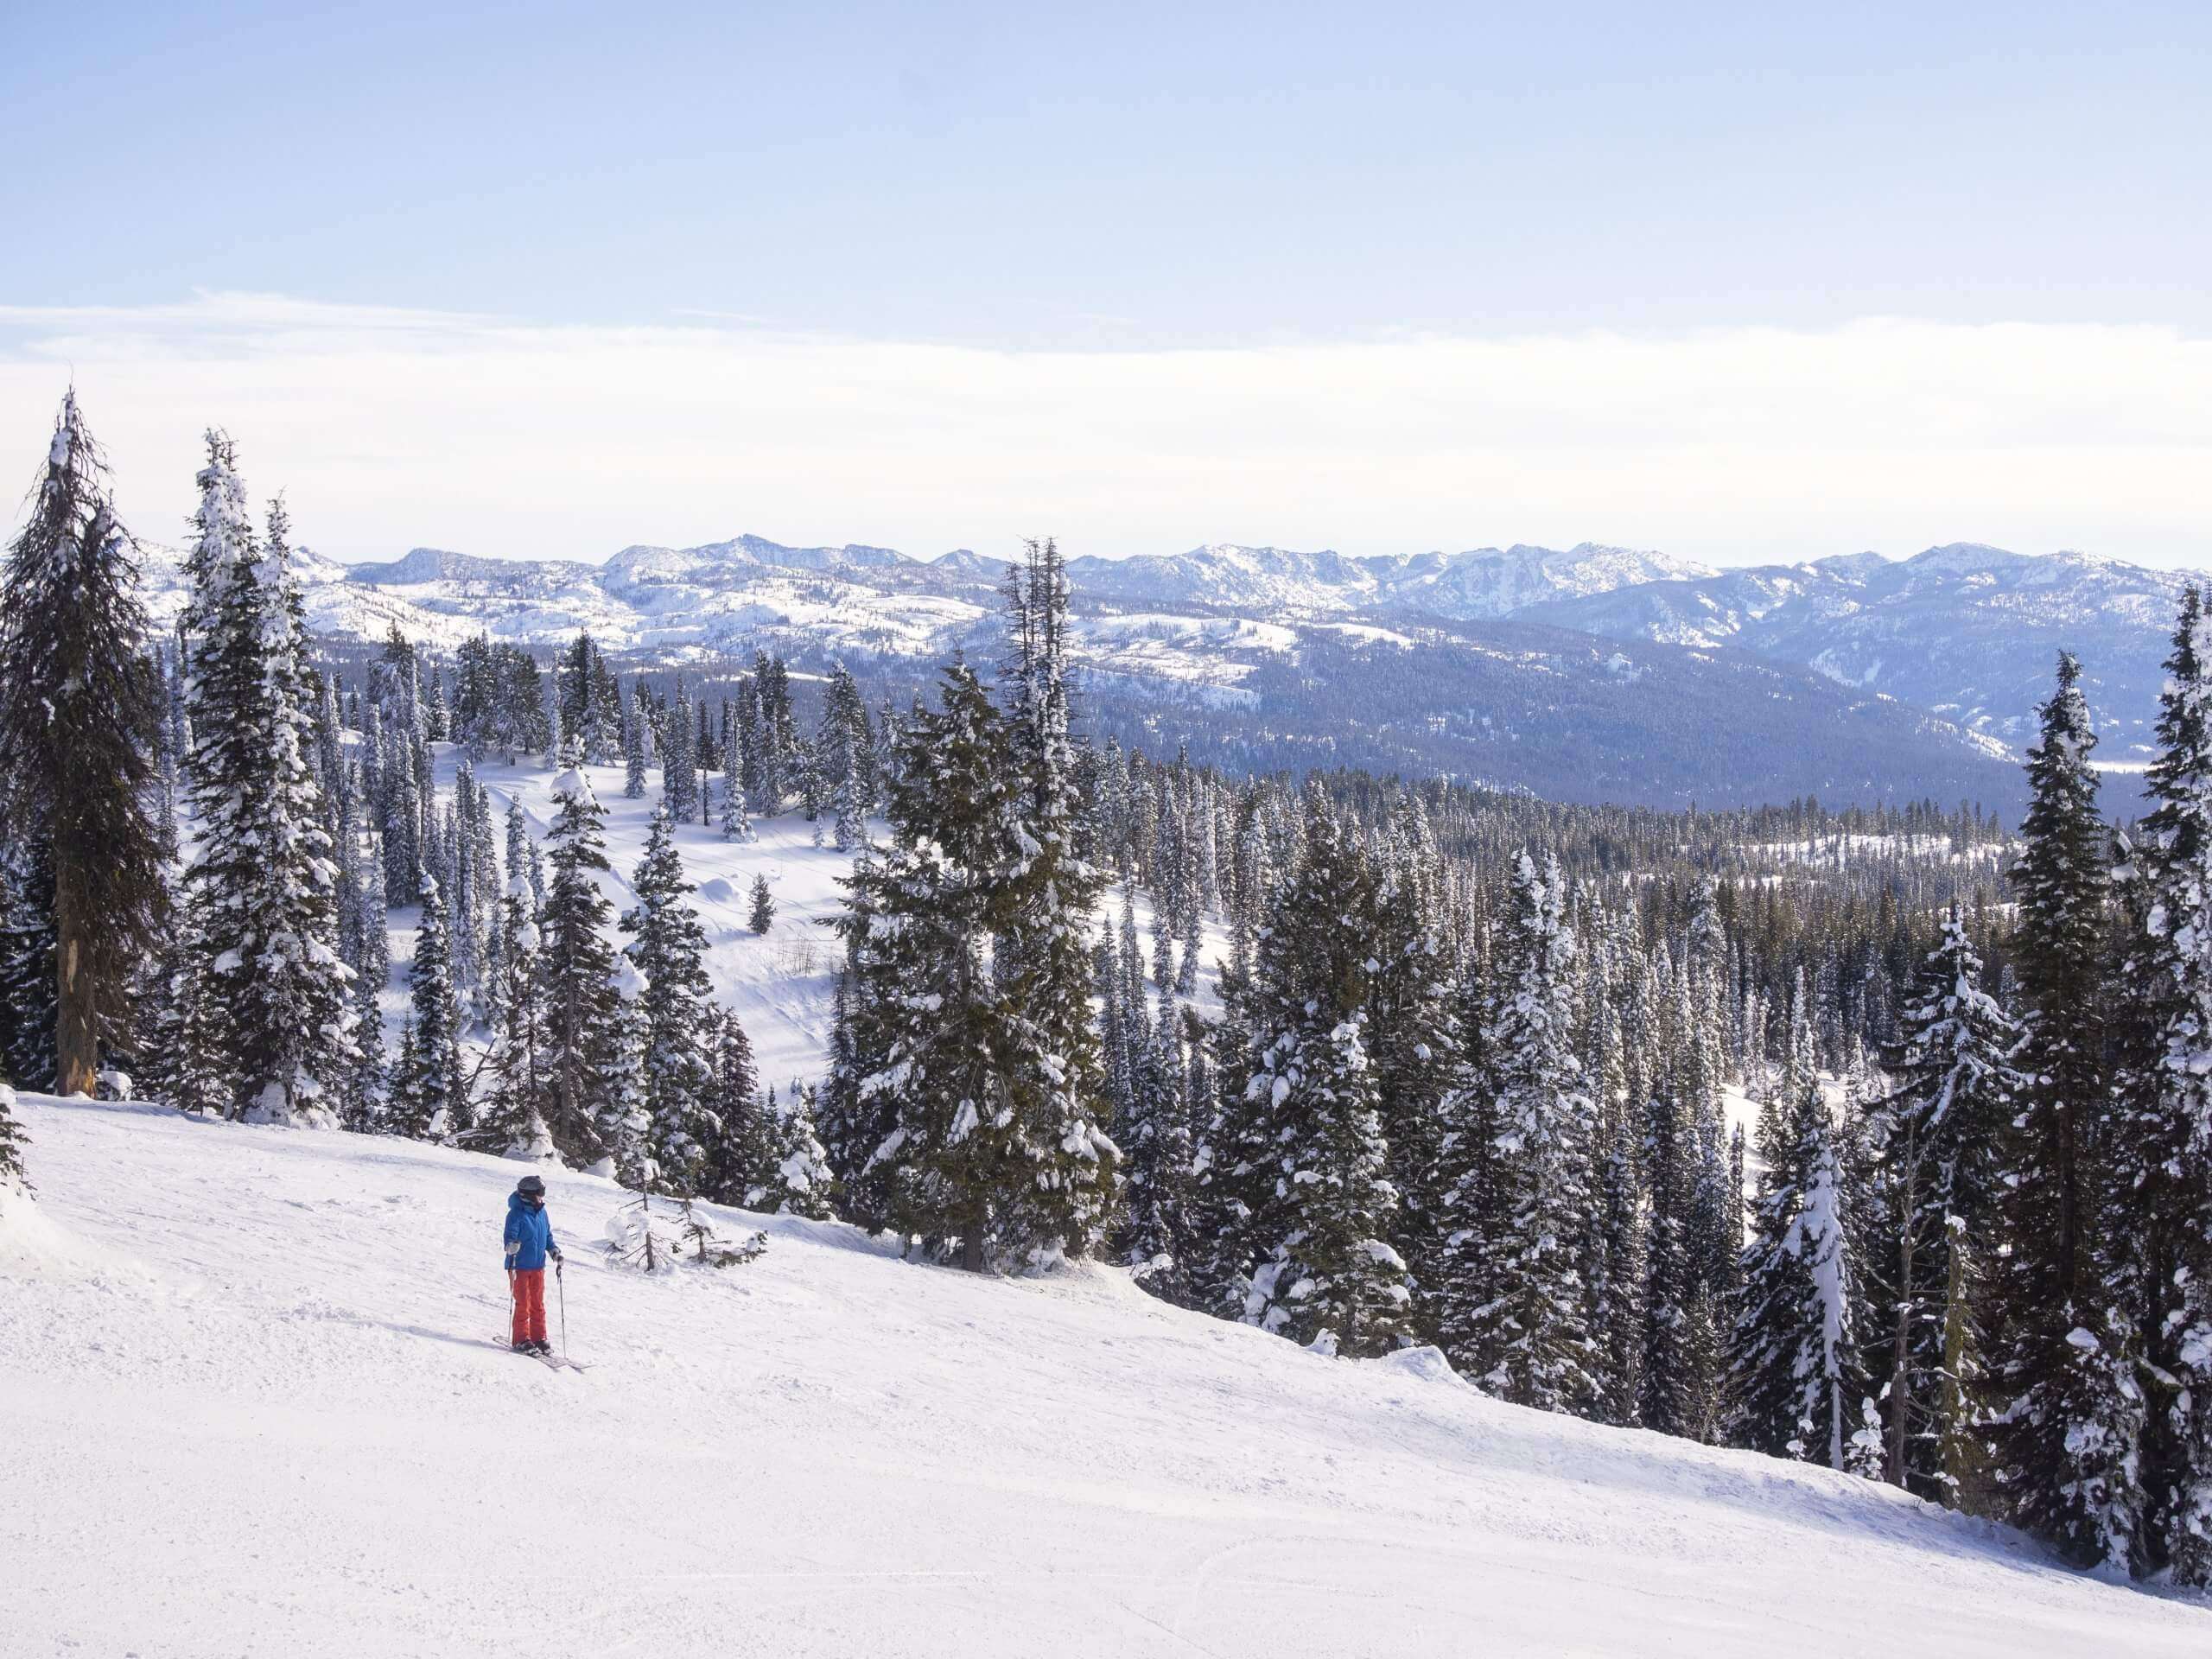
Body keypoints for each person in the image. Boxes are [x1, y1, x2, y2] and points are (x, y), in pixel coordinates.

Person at [503, 1173, 564, 1355]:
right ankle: (521, 1338)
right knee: (524, 1303)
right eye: (539, 1193)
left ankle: (539, 1337)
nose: (541, 1197)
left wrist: (554, 1251)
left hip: (538, 1266)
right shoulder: (516, 1214)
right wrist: (511, 1246)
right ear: (528, 1194)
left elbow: (547, 1236)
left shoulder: (542, 1213)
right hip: (519, 1266)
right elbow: (509, 1238)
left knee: (538, 1303)